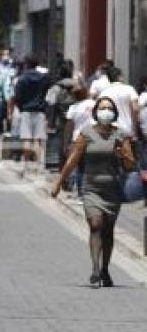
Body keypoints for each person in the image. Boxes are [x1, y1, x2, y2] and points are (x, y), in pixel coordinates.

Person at [53, 97, 137, 287]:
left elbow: (131, 165)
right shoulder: (86, 133)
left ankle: (106, 269)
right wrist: (59, 182)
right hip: (91, 188)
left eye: (109, 108)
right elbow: (73, 160)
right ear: (95, 112)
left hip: (113, 189)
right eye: (102, 108)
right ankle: (95, 269)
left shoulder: (120, 135)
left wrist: (123, 155)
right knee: (95, 225)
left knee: (108, 231)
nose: (105, 111)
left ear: (114, 113)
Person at [13, 55, 51, 175]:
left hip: (26, 111)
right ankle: (39, 167)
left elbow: (17, 96)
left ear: (26, 64)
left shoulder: (22, 79)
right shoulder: (44, 78)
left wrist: (21, 107)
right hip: (40, 111)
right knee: (37, 140)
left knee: (26, 139)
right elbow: (47, 91)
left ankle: (25, 165)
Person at [63, 86, 93, 201]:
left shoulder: (74, 108)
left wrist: (66, 143)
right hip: (94, 138)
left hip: (78, 140)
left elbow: (69, 127)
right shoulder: (94, 104)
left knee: (80, 166)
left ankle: (81, 193)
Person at [98, 67, 140, 139]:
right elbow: (135, 109)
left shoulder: (103, 93)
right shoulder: (129, 89)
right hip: (127, 130)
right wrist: (135, 130)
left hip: (111, 132)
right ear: (120, 77)